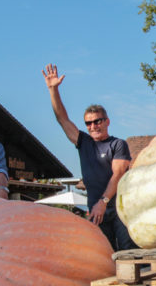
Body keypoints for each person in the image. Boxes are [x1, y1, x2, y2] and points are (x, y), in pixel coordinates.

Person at [42, 64, 136, 251]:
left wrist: (103, 202)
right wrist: (53, 90)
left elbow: (117, 175)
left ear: (107, 121)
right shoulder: (83, 142)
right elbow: (62, 119)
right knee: (104, 258)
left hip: (120, 210)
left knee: (128, 255)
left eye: (97, 121)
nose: (93, 126)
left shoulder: (118, 144)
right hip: (96, 212)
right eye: (89, 123)